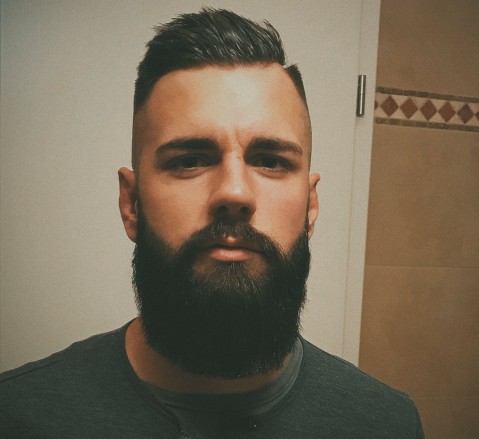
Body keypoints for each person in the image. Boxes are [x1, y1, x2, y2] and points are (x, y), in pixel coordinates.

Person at [0, 8, 424, 438]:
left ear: (310, 207)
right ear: (132, 203)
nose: (234, 193)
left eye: (270, 161)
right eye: (189, 161)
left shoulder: (386, 425)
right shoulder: (16, 418)